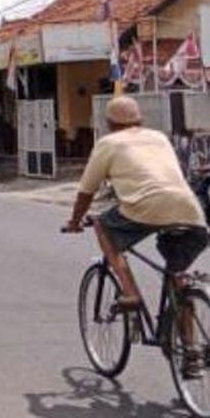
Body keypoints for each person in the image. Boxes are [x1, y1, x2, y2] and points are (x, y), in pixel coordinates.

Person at [65, 96, 209, 374]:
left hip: (145, 208)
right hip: (191, 211)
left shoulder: (107, 144)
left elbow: (87, 190)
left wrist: (74, 220)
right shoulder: (158, 138)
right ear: (140, 121)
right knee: (178, 277)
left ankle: (129, 292)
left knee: (103, 225)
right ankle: (191, 351)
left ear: (108, 124)